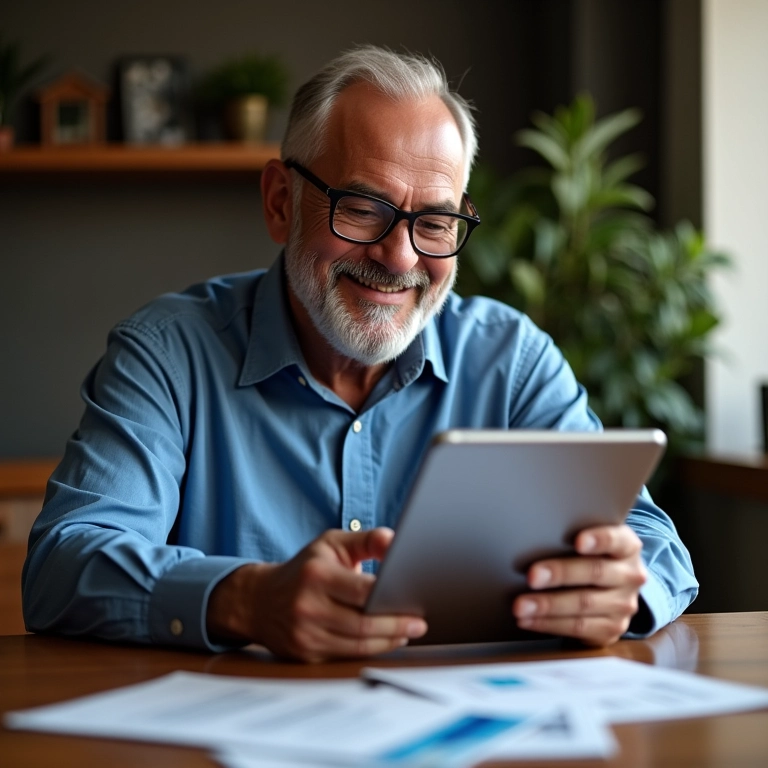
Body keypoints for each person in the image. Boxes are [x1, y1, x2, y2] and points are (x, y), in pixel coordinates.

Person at [22, 46, 697, 662]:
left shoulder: (511, 360)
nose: (400, 258)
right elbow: (63, 563)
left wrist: (621, 588)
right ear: (281, 202)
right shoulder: (168, 356)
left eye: (433, 222)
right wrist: (246, 599)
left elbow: (657, 546)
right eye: (363, 210)